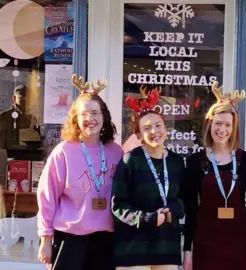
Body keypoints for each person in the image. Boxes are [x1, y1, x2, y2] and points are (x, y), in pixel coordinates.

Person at [36, 75, 124, 270]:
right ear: (75, 119)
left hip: (106, 240)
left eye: (95, 113)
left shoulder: (116, 152)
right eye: (84, 114)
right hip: (70, 239)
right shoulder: (64, 151)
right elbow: (47, 197)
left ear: (104, 117)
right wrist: (45, 238)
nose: (90, 119)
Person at [182, 82, 246, 270]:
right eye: (218, 123)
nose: (222, 130)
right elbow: (191, 210)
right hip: (205, 243)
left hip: (240, 243)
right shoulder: (196, 161)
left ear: (234, 128)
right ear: (209, 124)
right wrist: (188, 249)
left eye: (228, 125)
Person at [110, 87, 185, 269]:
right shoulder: (130, 160)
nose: (154, 131)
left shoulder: (176, 161)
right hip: (133, 247)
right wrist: (146, 218)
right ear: (138, 135)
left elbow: (185, 199)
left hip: (167, 246)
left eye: (158, 125)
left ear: (166, 129)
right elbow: (118, 205)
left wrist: (173, 210)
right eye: (147, 128)